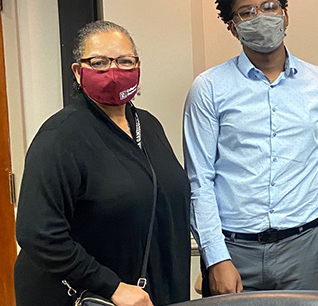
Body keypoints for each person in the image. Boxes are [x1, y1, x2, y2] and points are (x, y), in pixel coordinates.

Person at [184, 0, 318, 296]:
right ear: (233, 28)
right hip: (234, 251)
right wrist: (216, 257)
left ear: (285, 15)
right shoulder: (209, 88)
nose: (260, 17)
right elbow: (199, 180)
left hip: (304, 250)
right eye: (246, 13)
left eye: (269, 7)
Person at [14, 20, 190, 306]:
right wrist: (110, 286)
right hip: (92, 297)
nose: (114, 72)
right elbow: (38, 233)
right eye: (99, 63)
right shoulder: (61, 136)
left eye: (124, 61)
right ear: (78, 71)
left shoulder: (148, 125)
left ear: (138, 66)